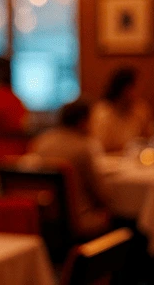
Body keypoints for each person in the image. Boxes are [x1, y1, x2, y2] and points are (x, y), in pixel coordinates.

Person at [29, 100, 110, 238]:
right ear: (82, 121)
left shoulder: (41, 142)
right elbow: (100, 194)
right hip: (79, 219)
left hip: (46, 218)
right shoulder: (83, 148)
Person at [89, 67, 154, 153]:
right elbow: (99, 147)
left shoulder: (140, 109)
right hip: (108, 161)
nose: (139, 92)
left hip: (133, 161)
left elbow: (149, 140)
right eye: (135, 88)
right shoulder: (102, 112)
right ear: (124, 89)